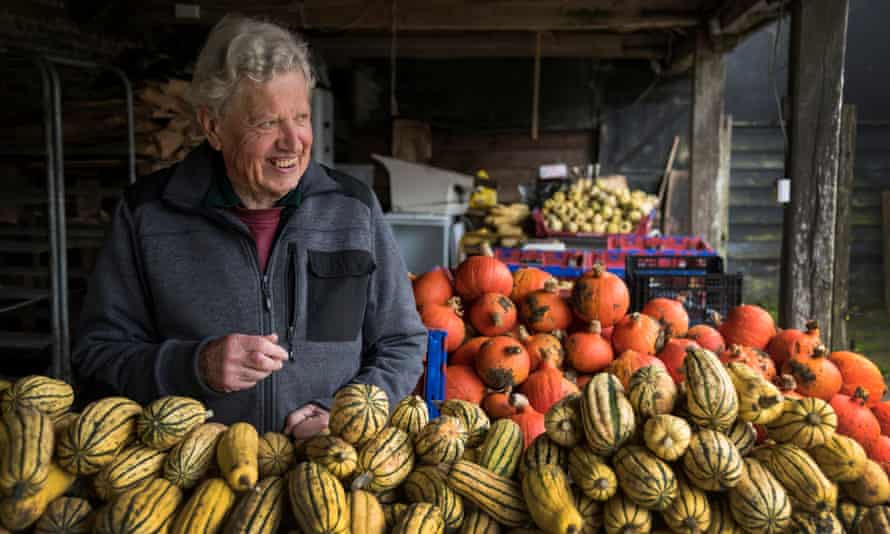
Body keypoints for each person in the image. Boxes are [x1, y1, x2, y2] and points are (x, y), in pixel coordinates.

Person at [72, 15, 427, 439]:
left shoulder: (352, 209)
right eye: (267, 123)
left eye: (300, 116)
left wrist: (343, 413)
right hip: (193, 478)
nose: (293, 141)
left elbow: (401, 343)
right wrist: (194, 365)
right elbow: (97, 355)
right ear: (213, 126)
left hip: (327, 470)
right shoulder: (148, 213)